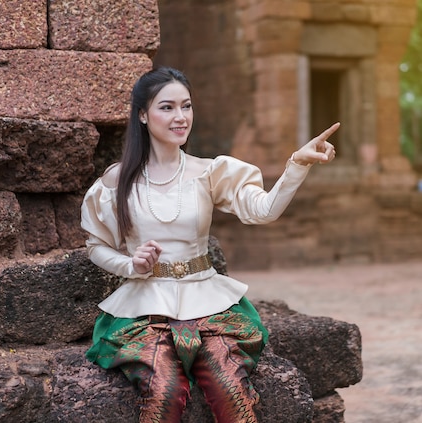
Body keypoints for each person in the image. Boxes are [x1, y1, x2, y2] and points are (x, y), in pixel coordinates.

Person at [80, 66, 338, 423]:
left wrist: (297, 164)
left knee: (229, 385)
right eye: (167, 107)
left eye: (186, 106)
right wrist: (131, 265)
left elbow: (262, 210)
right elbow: (96, 244)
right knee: (163, 390)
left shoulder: (209, 172)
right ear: (142, 114)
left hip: (208, 300)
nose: (180, 117)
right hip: (144, 304)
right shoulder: (117, 180)